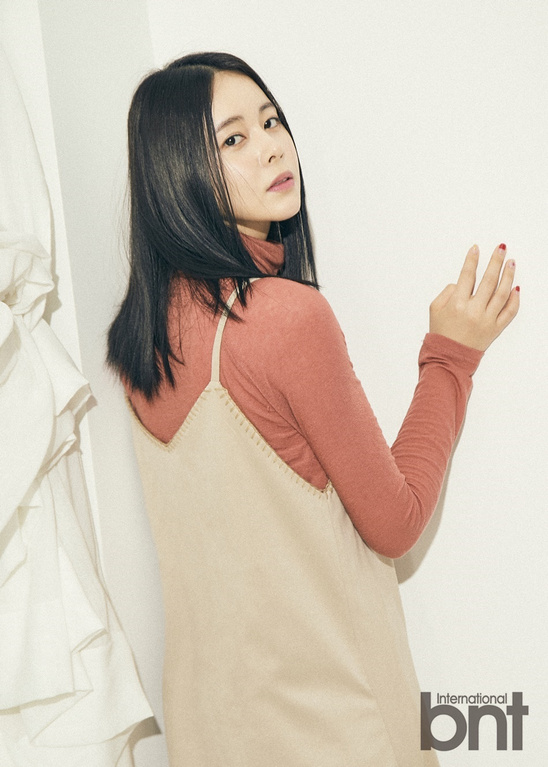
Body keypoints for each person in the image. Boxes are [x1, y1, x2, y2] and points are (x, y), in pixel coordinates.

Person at [107, 52, 519, 767]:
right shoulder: (284, 318)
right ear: (178, 171)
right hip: (335, 727)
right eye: (234, 138)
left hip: (208, 733)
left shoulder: (141, 339)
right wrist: (450, 359)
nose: (273, 147)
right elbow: (394, 522)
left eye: (272, 122)